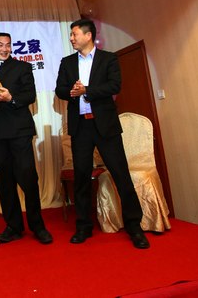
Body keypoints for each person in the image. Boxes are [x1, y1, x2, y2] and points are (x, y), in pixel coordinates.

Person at [55, 19, 149, 249]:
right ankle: (83, 226)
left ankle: (134, 227)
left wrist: (87, 90)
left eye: (74, 34)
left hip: (105, 126)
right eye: (71, 35)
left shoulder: (108, 59)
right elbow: (59, 89)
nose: (71, 38)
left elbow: (114, 85)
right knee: (81, 178)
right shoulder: (67, 62)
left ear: (88, 36)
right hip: (81, 127)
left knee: (121, 175)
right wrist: (72, 91)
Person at [0, 32, 53, 245]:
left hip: (20, 131)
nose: (4, 49)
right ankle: (13, 227)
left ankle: (38, 226)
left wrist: (10, 98)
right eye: (0, 45)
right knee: (5, 181)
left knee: (28, 178)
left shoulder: (22, 67)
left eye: (8, 45)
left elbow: (29, 95)